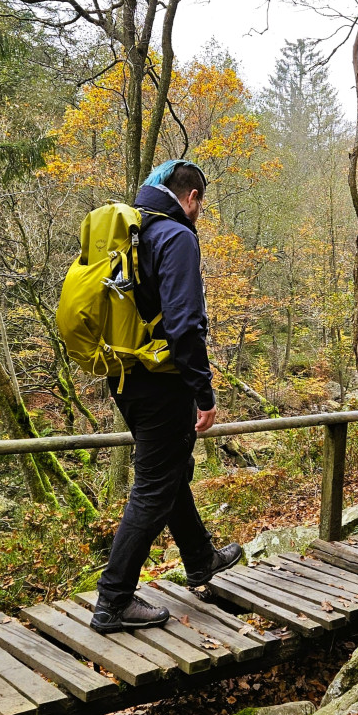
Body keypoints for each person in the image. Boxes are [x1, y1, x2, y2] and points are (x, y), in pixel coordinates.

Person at [91, 160, 242, 633]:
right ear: (192, 197)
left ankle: (201, 560)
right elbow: (184, 324)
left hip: (125, 375)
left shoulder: (130, 233)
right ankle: (113, 601)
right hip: (162, 381)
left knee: (169, 469)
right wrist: (203, 391)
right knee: (154, 484)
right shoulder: (176, 236)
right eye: (201, 204)